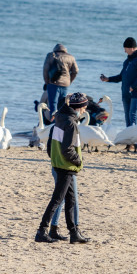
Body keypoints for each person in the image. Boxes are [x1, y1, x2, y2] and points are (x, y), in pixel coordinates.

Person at [35, 92, 89, 244]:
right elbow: (68, 148)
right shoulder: (71, 123)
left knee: (70, 199)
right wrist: (78, 161)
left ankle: (74, 233)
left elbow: (51, 144)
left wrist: (53, 157)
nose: (84, 110)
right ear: (78, 107)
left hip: (61, 164)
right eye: (84, 107)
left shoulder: (60, 117)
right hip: (66, 166)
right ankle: (41, 230)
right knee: (57, 200)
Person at [99, 37, 137, 127]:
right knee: (127, 116)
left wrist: (134, 86)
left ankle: (134, 136)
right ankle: (129, 137)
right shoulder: (127, 61)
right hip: (126, 92)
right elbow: (121, 76)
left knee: (132, 115)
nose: (124, 51)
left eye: (125, 49)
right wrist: (108, 79)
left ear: (131, 48)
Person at [42, 44, 78, 124]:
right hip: (65, 84)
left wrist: (47, 81)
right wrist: (69, 81)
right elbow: (75, 71)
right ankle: (61, 123)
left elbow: (45, 69)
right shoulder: (71, 57)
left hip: (53, 83)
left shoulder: (51, 55)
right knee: (62, 104)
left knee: (53, 104)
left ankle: (53, 124)